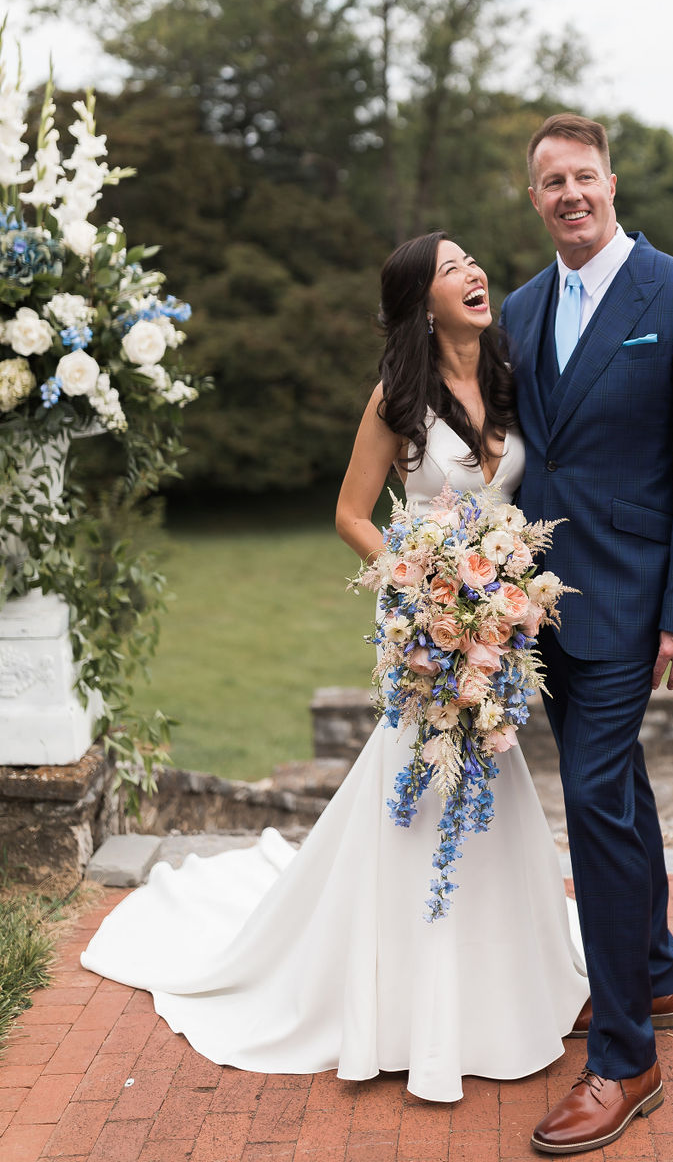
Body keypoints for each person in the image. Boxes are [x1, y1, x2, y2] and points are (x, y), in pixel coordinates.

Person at [81, 231, 588, 1104]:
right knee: (423, 788)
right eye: (447, 271)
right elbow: (352, 512)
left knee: (492, 774)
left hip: (500, 629)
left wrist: (506, 590)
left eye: (471, 261)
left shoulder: (516, 375)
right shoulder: (399, 398)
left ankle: (511, 989)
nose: (471, 274)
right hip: (430, 629)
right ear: (421, 304)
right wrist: (417, 576)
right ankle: (401, 1001)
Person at [500, 113, 673, 1155]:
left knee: (594, 793)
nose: (569, 194)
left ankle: (623, 1054)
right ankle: (652, 966)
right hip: (537, 602)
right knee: (620, 785)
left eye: (583, 175)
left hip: (635, 594)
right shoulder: (514, 308)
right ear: (535, 197)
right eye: (550, 180)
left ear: (611, 181)